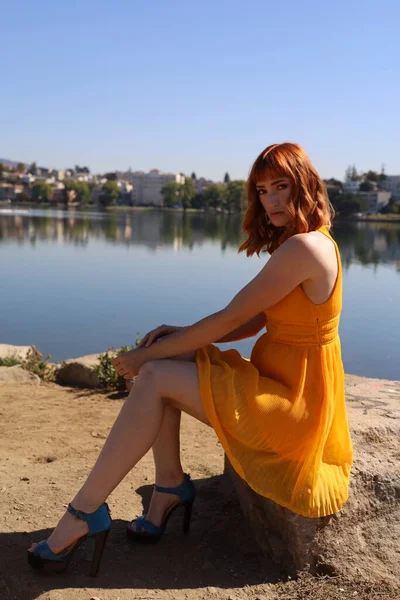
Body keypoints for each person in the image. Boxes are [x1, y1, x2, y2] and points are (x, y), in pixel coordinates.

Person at [27, 142, 353, 576]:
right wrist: (180, 336)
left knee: (157, 374)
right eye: (261, 190)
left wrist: (146, 354)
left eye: (281, 186)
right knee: (165, 372)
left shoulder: (304, 249)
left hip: (294, 409)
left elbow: (230, 318)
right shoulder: (307, 243)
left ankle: (87, 512)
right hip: (282, 389)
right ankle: (167, 488)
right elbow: (254, 321)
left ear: (306, 185)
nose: (270, 199)